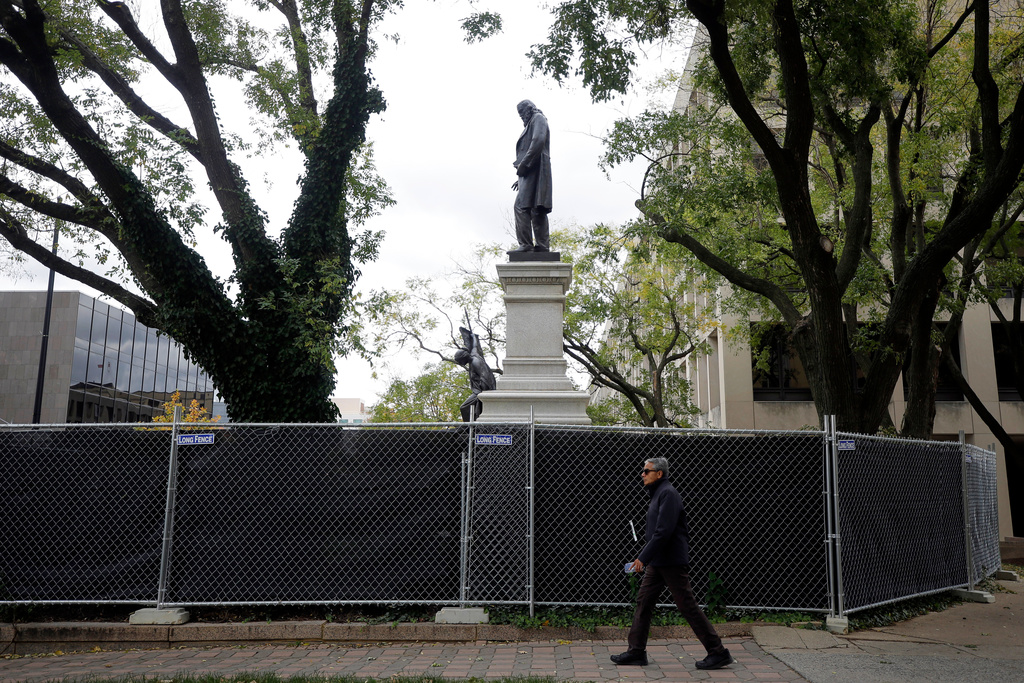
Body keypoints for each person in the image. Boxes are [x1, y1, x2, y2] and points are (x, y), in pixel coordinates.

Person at [611, 457, 733, 670]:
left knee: (687, 606)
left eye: (646, 471)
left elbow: (663, 532)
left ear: (659, 473)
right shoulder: (659, 493)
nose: (642, 474)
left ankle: (718, 652)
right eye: (643, 471)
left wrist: (643, 558)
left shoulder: (668, 493)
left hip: (671, 561)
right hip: (659, 562)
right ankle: (636, 652)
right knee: (644, 602)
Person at [510, 99, 552, 253]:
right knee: (536, 208)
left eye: (522, 114)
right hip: (533, 170)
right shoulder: (534, 121)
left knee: (521, 206)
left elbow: (537, 142)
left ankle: (527, 244)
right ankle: (542, 245)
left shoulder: (538, 118)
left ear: (528, 109)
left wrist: (524, 166)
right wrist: (521, 179)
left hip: (536, 167)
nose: (522, 118)